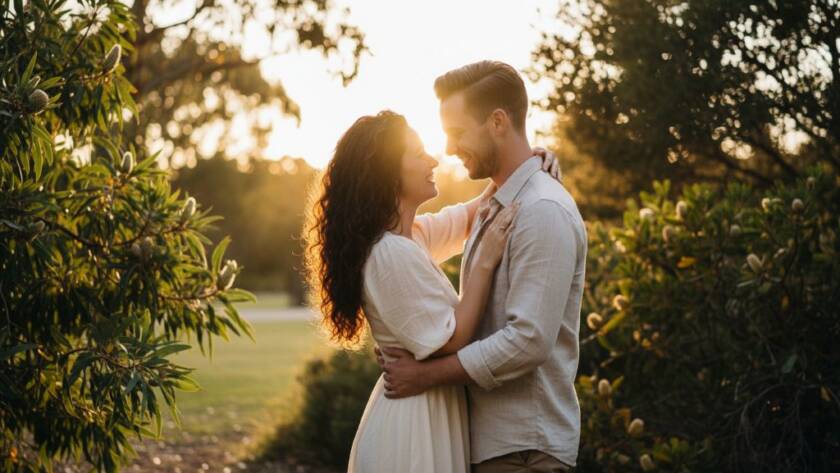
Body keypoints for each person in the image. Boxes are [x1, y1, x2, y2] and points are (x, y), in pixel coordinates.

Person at [304, 108, 560, 472]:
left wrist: (524, 167)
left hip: (426, 411)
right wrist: (484, 261)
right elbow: (454, 338)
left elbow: (475, 214)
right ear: (388, 171)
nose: (434, 159)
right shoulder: (391, 253)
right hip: (413, 427)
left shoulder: (410, 237)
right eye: (419, 154)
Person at [377, 60, 587, 473]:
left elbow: (528, 340)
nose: (449, 149)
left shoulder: (542, 210)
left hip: (525, 450)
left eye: (457, 134)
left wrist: (427, 374)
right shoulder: (498, 204)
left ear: (497, 122)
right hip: (496, 445)